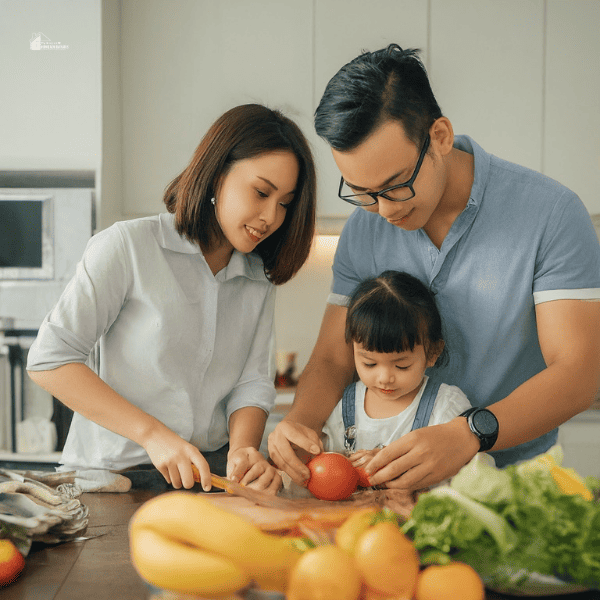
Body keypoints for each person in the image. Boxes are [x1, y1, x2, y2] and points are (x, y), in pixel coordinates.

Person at [268, 44, 600, 491]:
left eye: (395, 185)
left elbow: (579, 371)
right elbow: (332, 356)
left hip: (513, 489)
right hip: (384, 494)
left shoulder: (550, 214)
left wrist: (469, 433)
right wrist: (299, 423)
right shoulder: (363, 231)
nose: (383, 211)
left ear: (439, 136)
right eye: (363, 192)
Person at [27, 103, 317, 493]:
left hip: (208, 478)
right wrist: (152, 435)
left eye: (284, 202)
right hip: (113, 480)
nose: (270, 216)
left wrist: (244, 450)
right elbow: (50, 360)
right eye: (261, 192)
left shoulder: (257, 278)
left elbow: (252, 382)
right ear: (216, 175)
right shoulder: (128, 246)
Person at [321, 270, 472, 471]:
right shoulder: (344, 405)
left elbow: (470, 472)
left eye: (402, 366)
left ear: (433, 353)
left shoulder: (445, 407)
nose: (385, 378)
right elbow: (328, 464)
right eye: (370, 364)